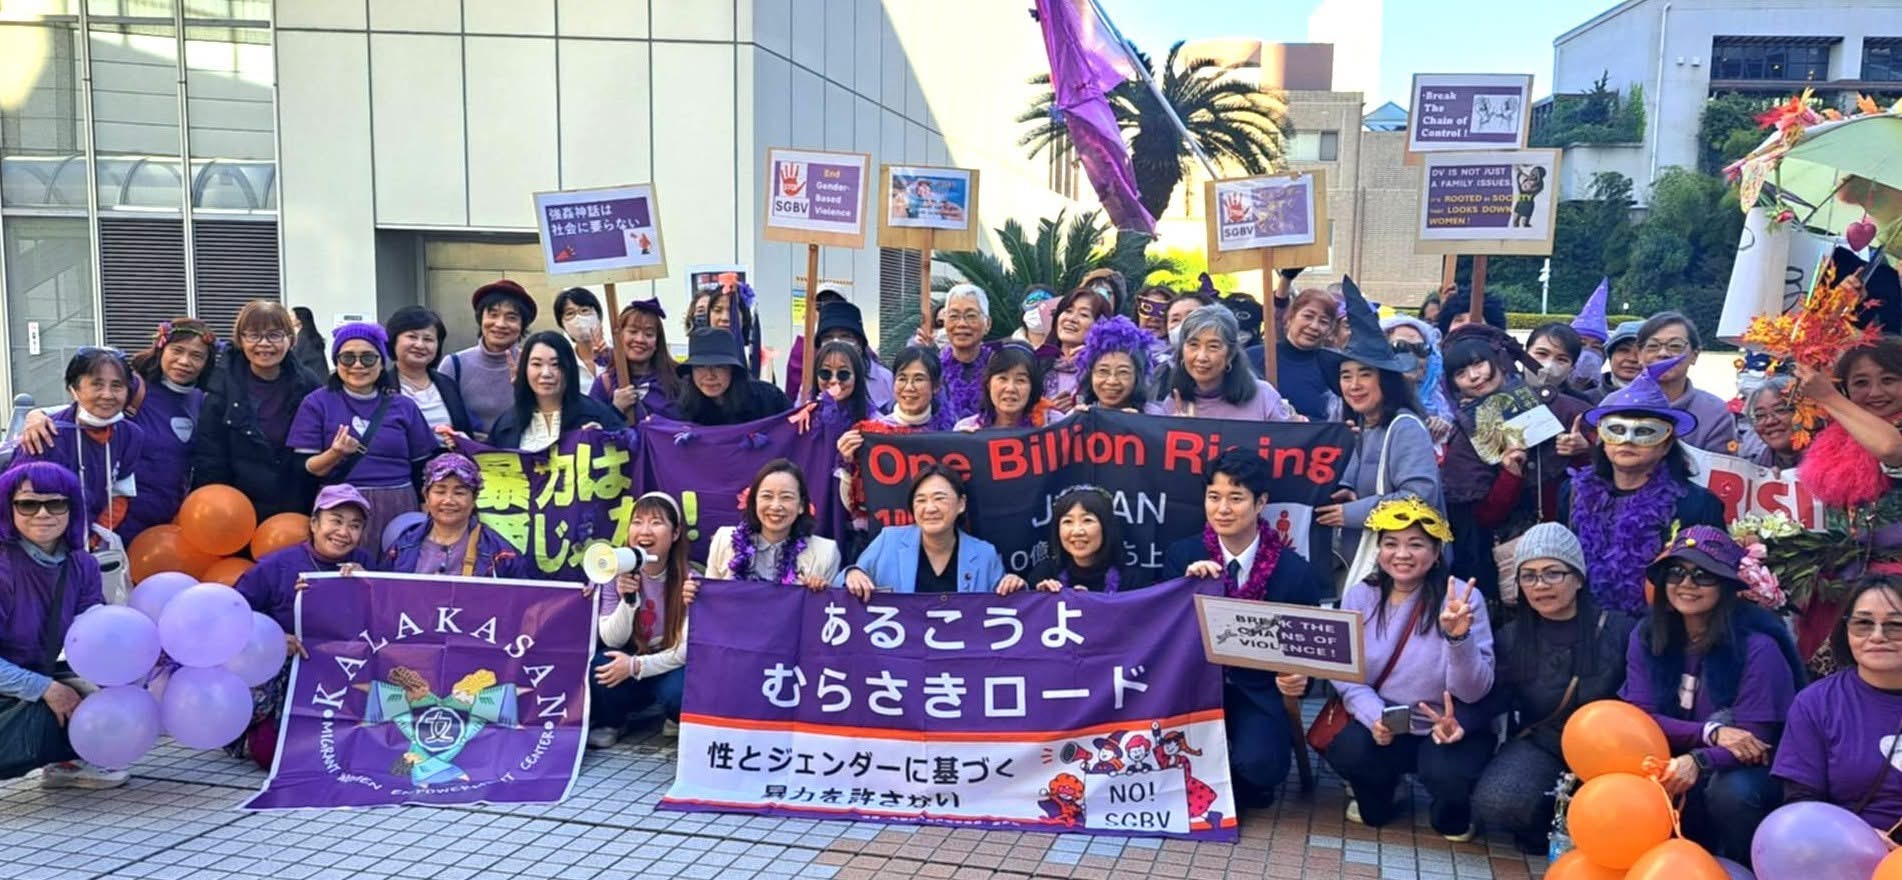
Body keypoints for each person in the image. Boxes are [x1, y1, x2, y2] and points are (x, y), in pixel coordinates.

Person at [1618, 526, 1803, 863]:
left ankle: (1742, 865)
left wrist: (1699, 759)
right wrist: (1710, 733)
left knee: (1732, 791)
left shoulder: (1758, 647)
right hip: (1672, 755)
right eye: (1676, 572)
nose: (1687, 584)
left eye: (1703, 575)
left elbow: (1755, 742)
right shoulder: (1647, 636)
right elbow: (1640, 721)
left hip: (1745, 772)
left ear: (1726, 586)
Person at [1161, 449, 1326, 808]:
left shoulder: (1293, 570)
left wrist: (1301, 678)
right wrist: (1186, 590)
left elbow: (1309, 651)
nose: (1222, 509)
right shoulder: (1183, 555)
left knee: (1261, 767)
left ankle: (1240, 777)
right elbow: (1164, 634)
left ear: (1260, 502)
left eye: (1236, 498)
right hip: (1197, 689)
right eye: (1214, 497)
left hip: (1259, 691)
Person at [1323, 497, 1493, 838]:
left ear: (1436, 552)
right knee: (1352, 761)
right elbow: (1344, 672)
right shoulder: (1360, 595)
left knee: (1449, 810)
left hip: (1447, 726)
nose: (1402, 554)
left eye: (1416, 544)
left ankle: (1452, 807)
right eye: (1391, 543)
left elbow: (1474, 690)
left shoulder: (1461, 599)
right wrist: (1375, 717)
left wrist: (1457, 639)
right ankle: (1387, 789)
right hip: (1387, 721)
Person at [1471, 523, 1635, 853]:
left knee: (1617, 818)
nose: (1540, 585)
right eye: (1528, 576)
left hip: (1610, 755)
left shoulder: (1622, 631)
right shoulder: (1512, 636)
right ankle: (1549, 826)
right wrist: (1457, 722)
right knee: (1497, 800)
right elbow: (1492, 700)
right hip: (1545, 745)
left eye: (1552, 573)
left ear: (1578, 578)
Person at [1562, 354, 1725, 614]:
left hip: (1662, 627)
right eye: (1616, 430)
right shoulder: (1572, 494)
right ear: (1603, 440)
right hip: (1585, 626)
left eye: (1645, 432)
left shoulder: (1697, 504)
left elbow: (1709, 581)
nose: (1627, 441)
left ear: (1666, 445)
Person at [0, 462, 124, 788]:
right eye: (28, 504)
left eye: (56, 503)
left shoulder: (82, 564)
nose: (43, 513)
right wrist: (46, 689)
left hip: (33, 672)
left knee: (119, 688)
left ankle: (72, 760)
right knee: (50, 716)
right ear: (8, 508)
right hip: (13, 683)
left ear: (72, 508)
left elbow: (92, 634)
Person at [1792, 337, 1902, 670]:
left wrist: (1827, 396)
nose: (1875, 392)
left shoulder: (1887, 436)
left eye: (1888, 379)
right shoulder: (1836, 438)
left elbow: (1891, 449)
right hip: (1844, 587)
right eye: (1861, 383)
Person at [1317, 279, 1440, 564]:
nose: (1354, 385)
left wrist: (1351, 513)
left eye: (1365, 374)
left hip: (1404, 565)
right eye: (1346, 376)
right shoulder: (1362, 425)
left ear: (1385, 379)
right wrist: (1348, 491)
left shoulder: (1405, 426)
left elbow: (1418, 498)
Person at [1772, 577, 1902, 840]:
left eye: (1896, 625)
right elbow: (1801, 805)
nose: (1877, 636)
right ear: (1846, 630)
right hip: (1847, 849)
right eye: (1863, 624)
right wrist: (1858, 837)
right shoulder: (1816, 703)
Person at [288, 322, 435, 543]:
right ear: (336, 361)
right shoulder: (316, 403)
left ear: (381, 362)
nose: (357, 365)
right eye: (347, 358)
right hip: (340, 510)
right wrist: (335, 454)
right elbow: (303, 468)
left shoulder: (404, 406)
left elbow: (422, 467)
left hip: (399, 506)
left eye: (368, 358)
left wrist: (427, 512)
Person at [191, 300, 322, 519]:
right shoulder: (222, 384)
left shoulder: (308, 383)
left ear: (290, 339)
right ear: (240, 339)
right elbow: (210, 456)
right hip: (234, 510)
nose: (264, 344)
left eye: (274, 335)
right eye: (253, 335)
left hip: (296, 507)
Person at [588, 491, 695, 748]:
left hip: (667, 665)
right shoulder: (613, 573)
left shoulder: (690, 581)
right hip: (630, 657)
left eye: (656, 522)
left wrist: (636, 666)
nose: (645, 531)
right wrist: (628, 600)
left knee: (681, 691)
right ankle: (612, 722)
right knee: (601, 665)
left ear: (676, 533)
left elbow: (685, 650)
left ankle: (674, 718)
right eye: (637, 522)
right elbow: (612, 639)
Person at [11, 349, 144, 539]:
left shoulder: (130, 435)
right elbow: (18, 503)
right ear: (73, 389)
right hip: (41, 541)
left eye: (117, 386)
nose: (107, 395)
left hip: (92, 541)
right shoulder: (45, 434)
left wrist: (97, 536)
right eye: (96, 384)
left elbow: (120, 493)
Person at [838, 464, 1022, 597]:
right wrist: (851, 575)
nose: (930, 508)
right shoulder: (889, 541)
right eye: (921, 500)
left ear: (961, 504)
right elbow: (840, 588)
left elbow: (1008, 606)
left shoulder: (984, 554)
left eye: (939, 498)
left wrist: (1014, 585)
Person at [835, 347, 957, 542]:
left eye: (918, 379)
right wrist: (848, 463)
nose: (909, 387)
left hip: (937, 540)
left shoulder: (951, 435)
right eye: (902, 378)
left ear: (936, 386)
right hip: (884, 541)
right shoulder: (871, 433)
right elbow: (852, 506)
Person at [235, 484, 378, 638]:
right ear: (314, 524)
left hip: (350, 651)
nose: (343, 533)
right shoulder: (275, 566)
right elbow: (236, 612)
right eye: (336, 521)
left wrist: (372, 586)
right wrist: (275, 636)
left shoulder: (364, 562)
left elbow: (386, 618)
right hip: (290, 652)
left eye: (355, 526)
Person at [381, 454, 530, 579]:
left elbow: (523, 598)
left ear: (474, 499)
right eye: (440, 491)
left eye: (459, 493)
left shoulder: (500, 553)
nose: (448, 500)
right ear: (426, 496)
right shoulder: (403, 546)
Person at [704, 460, 841, 587]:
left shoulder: (826, 553)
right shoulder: (724, 540)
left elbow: (827, 604)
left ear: (801, 505)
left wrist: (820, 593)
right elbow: (709, 599)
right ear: (754, 502)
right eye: (767, 496)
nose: (775, 506)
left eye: (786, 497)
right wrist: (695, 592)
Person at [486, 330, 626, 451]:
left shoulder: (596, 415)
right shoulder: (507, 424)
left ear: (570, 367)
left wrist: (606, 440)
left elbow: (629, 450)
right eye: (536, 364)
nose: (546, 373)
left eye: (556, 364)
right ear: (525, 369)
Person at [442, 279, 537, 441]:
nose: (500, 324)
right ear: (481, 319)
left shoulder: (532, 364)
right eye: (493, 315)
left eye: (511, 317)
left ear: (522, 325)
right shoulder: (454, 364)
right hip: (468, 451)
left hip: (520, 449)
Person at [1161, 306, 1292, 420]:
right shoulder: (1174, 403)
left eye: (1213, 346)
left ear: (1230, 354)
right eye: (1193, 345)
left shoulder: (1263, 397)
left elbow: (1284, 438)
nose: (1201, 357)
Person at [1637, 312, 1738, 454]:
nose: (1663, 353)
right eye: (1653, 346)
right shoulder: (1614, 403)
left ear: (1694, 355)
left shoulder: (1715, 412)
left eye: (1675, 346)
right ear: (1639, 355)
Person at [1025, 485, 1150, 592]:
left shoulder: (1132, 581)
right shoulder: (1045, 574)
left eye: (1087, 520)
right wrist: (1025, 589)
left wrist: (1090, 605)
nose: (1077, 531)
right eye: (1068, 521)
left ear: (1106, 527)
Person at [383, 306, 474, 435]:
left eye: (428, 339)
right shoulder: (381, 386)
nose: (420, 345)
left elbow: (465, 431)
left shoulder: (448, 385)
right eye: (412, 337)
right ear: (394, 341)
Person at [674, 327, 791, 426]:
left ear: (733, 370)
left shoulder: (769, 400)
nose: (709, 375)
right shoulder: (683, 409)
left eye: (719, 366)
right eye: (700, 366)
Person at [591, 298, 681, 423]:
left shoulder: (678, 378)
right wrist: (616, 409)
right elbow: (590, 430)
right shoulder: (605, 383)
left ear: (657, 342)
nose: (640, 340)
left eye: (649, 334)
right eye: (633, 331)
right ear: (620, 336)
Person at [1262, 288, 1339, 420]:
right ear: (1290, 317)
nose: (1314, 326)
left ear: (1330, 329)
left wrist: (1303, 421)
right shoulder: (1256, 357)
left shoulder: (1334, 367)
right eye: (1308, 316)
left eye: (1323, 321)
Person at [805, 301, 893, 412]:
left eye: (845, 336)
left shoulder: (885, 378)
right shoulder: (810, 379)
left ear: (859, 344)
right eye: (828, 337)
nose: (836, 342)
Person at [1037, 288, 1114, 414]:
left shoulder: (1104, 371)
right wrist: (1045, 409)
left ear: (1100, 327)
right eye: (1068, 311)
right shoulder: (1037, 362)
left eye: (1084, 314)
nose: (1072, 319)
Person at [953, 342, 1052, 431]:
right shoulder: (967, 427)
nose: (1010, 388)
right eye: (1003, 379)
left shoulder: (1051, 423)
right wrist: (966, 441)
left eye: (1020, 380)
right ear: (988, 384)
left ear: (1032, 387)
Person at [1074, 316, 1163, 413]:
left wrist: (1138, 421)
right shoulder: (1080, 414)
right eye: (1103, 371)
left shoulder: (1153, 415)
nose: (1112, 381)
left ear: (1137, 377)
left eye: (1123, 372)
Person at [935, 283, 997, 421]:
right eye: (954, 316)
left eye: (971, 316)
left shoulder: (999, 368)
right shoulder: (933, 371)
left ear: (987, 324)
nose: (961, 324)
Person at [1381, 313, 1453, 429]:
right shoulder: (1365, 399)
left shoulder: (1444, 406)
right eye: (1401, 346)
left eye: (1421, 348)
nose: (1412, 355)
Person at [1738, 374, 1801, 468]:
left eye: (1780, 410)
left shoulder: (1825, 462)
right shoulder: (1751, 468)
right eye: (1760, 415)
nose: (1770, 421)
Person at [554, 287, 610, 389]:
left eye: (584, 310)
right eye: (570, 313)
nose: (579, 318)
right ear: (562, 324)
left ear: (598, 315)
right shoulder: (563, 364)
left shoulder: (618, 352)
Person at [1602, 320, 1644, 391]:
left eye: (1641, 352)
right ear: (1611, 356)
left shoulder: (1663, 396)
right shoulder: (1587, 397)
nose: (1632, 359)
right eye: (1624, 350)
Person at [289, 305, 328, 379]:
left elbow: (295, 360)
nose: (289, 318)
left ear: (299, 319)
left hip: (311, 378)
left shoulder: (303, 337)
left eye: (291, 316)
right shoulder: (311, 335)